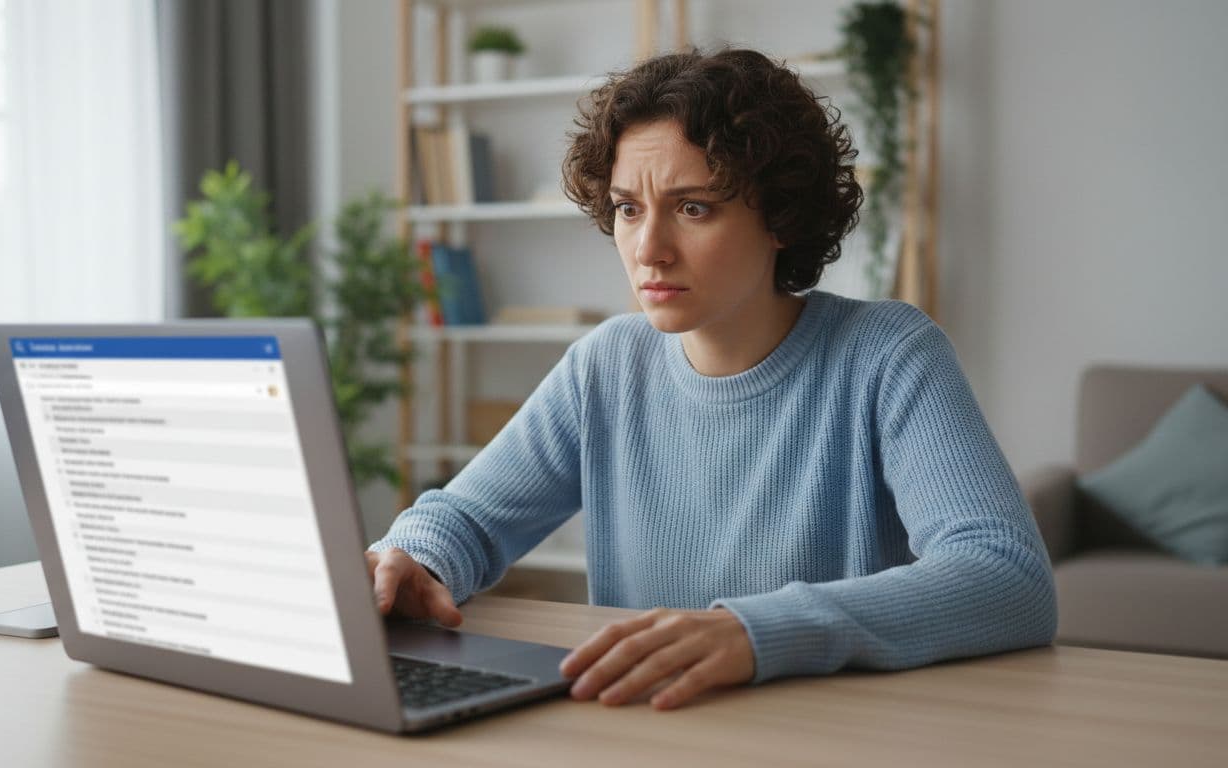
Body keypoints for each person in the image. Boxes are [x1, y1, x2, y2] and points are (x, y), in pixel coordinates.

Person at [365, 47, 1057, 711]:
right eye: (629, 209)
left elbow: (1005, 577)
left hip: (833, 736)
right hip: (651, 727)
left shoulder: (888, 354)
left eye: (693, 208)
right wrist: (417, 558)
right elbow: (467, 519)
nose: (648, 250)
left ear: (780, 216)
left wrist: (755, 632)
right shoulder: (606, 366)